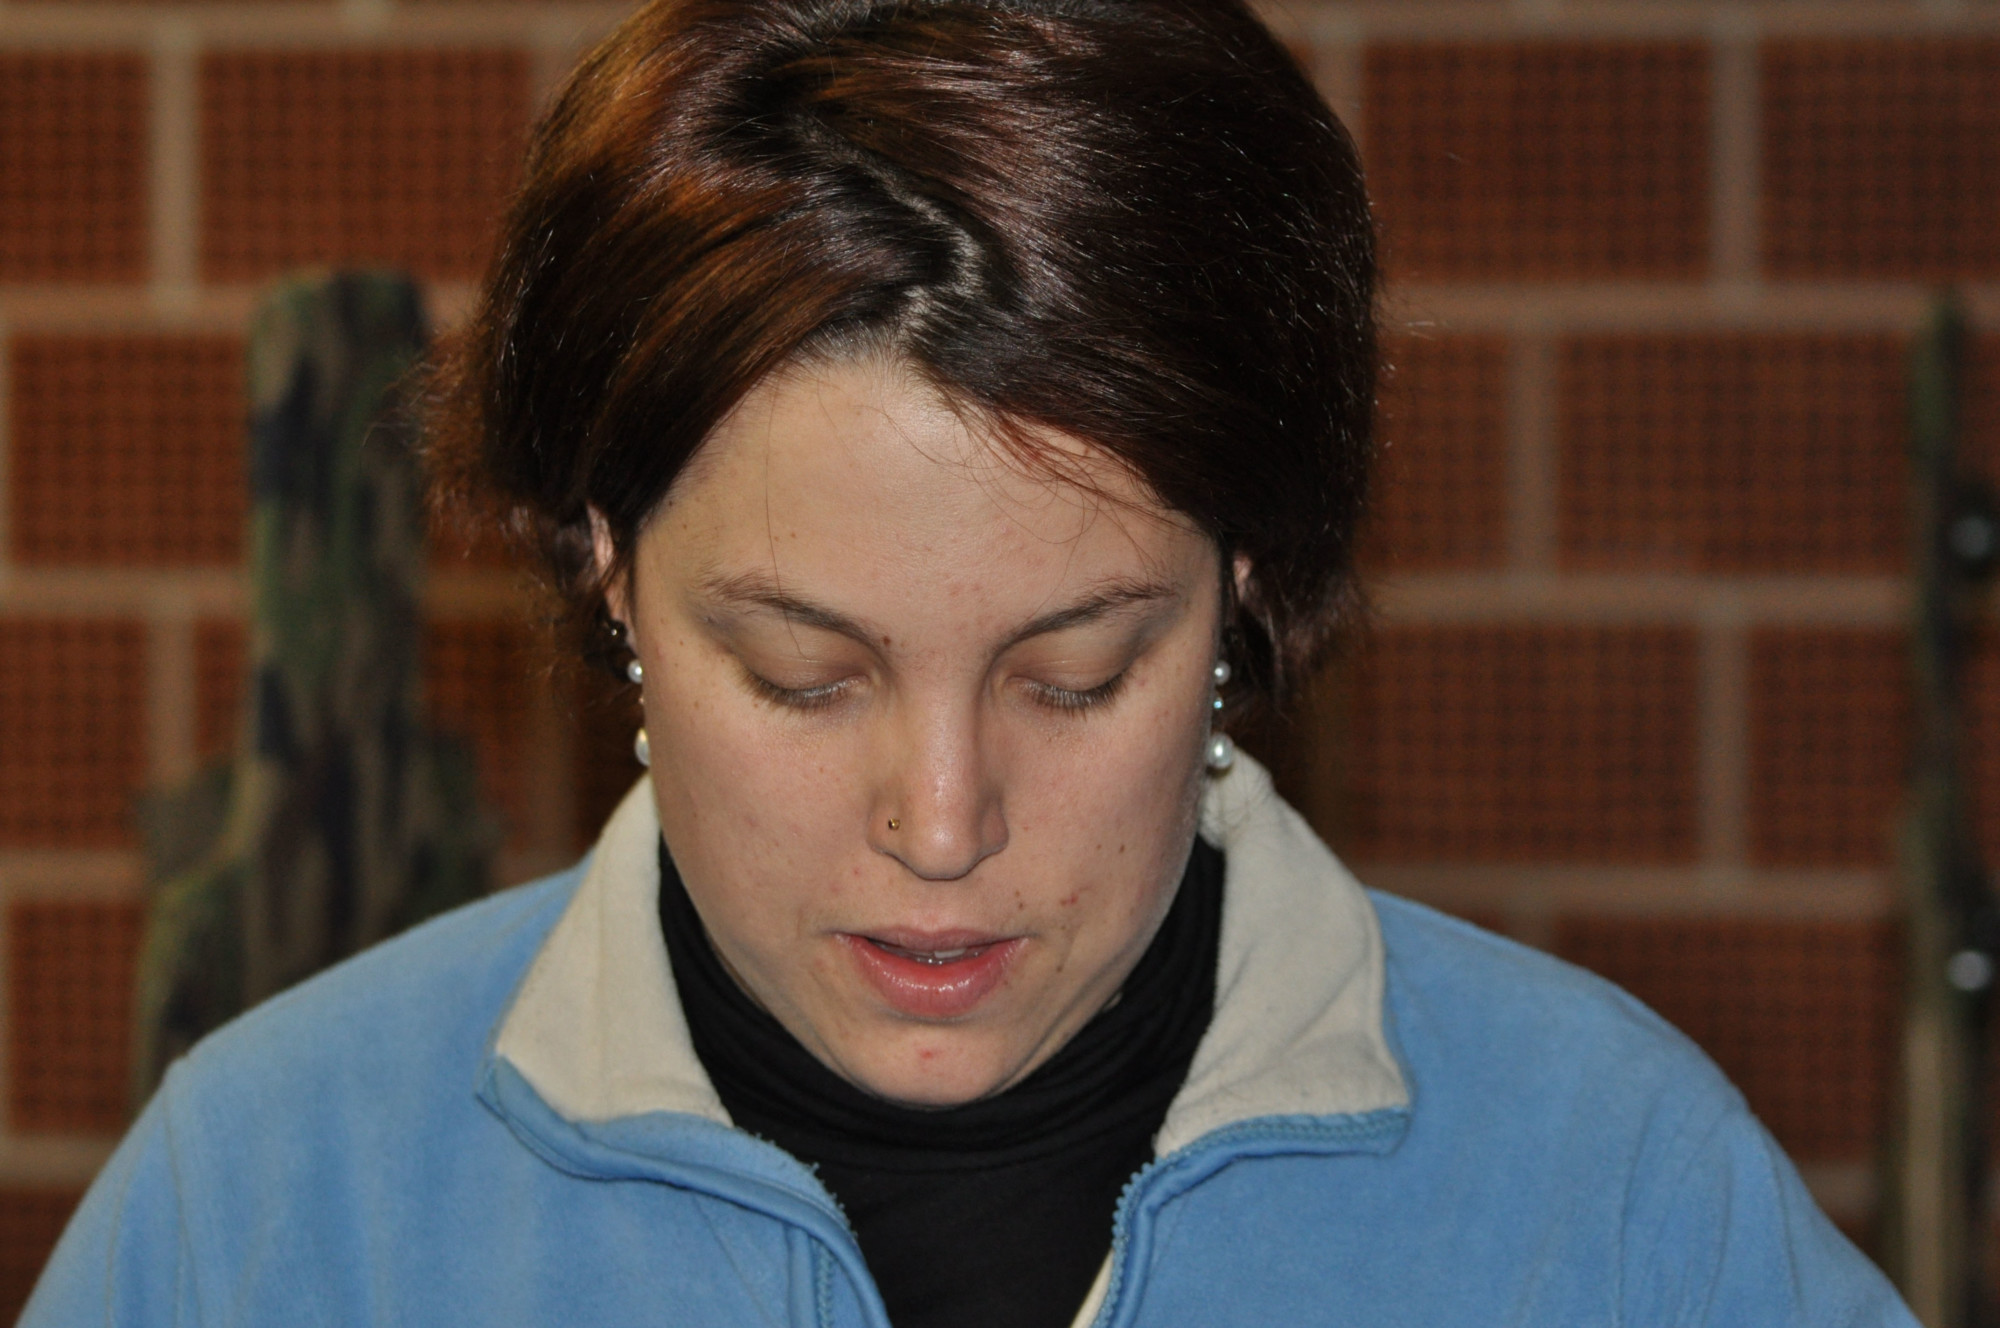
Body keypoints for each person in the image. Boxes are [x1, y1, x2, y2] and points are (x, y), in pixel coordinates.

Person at [26, 1, 1914, 1325]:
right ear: (604, 566)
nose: (942, 826)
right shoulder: (269, 1216)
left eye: (1076, 672)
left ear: (1247, 581)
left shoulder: (1617, 1202)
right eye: (803, 672)